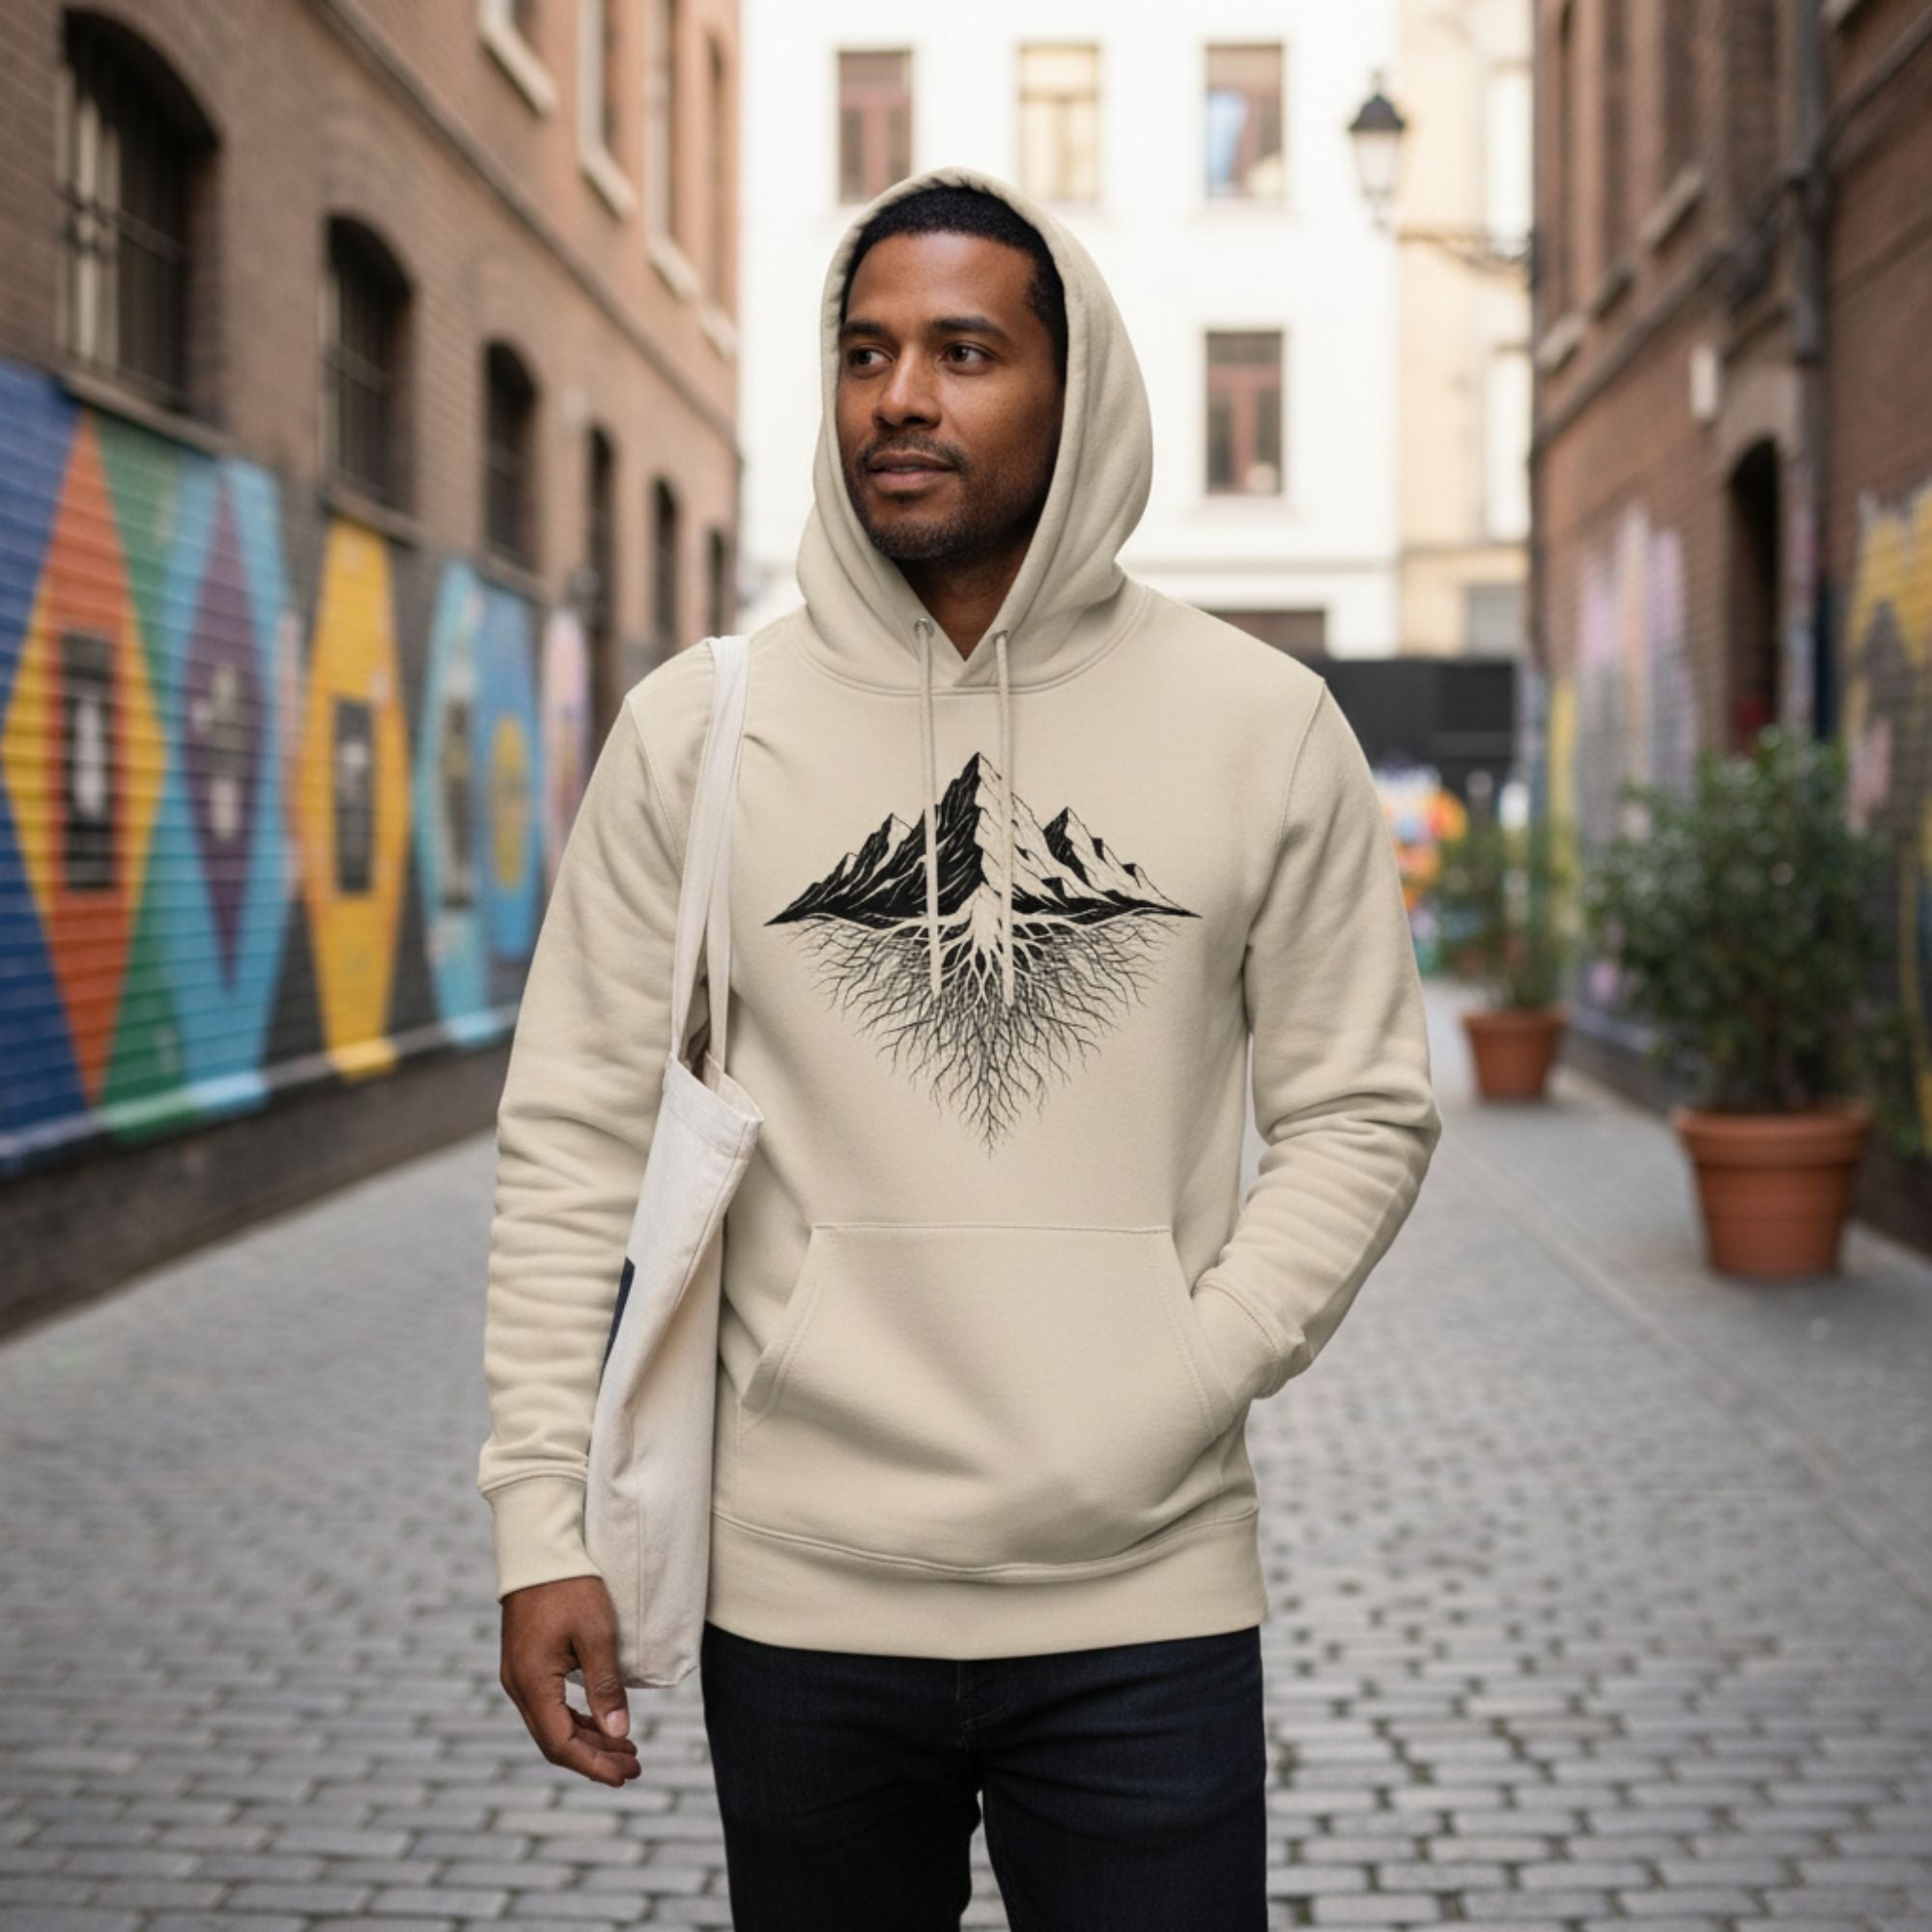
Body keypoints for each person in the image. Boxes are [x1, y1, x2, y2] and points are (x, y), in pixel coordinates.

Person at [476, 161, 1442, 1929]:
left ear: (1078, 395)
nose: (900, 397)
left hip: (1144, 1597)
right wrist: (544, 1527)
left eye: (964, 350)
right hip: (802, 1604)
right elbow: (571, 1149)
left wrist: (1187, 1371)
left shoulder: (1263, 726)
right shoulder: (702, 732)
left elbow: (1363, 1111)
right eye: (864, 353)